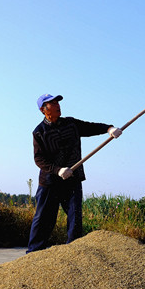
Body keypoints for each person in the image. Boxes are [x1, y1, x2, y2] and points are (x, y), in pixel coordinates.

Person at [27, 94, 122, 253]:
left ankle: (74, 252)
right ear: (44, 110)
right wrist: (58, 170)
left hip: (72, 180)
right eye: (52, 103)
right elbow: (39, 159)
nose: (57, 105)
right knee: (44, 219)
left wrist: (109, 129)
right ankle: (33, 253)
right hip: (50, 182)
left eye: (57, 102)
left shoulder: (70, 124)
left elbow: (90, 127)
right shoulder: (39, 132)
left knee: (75, 217)